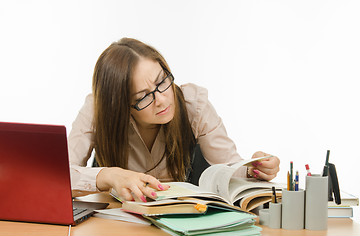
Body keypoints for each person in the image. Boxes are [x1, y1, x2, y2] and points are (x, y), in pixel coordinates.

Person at [68, 37, 280, 202]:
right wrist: (110, 175)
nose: (161, 100)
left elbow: (229, 168)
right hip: (117, 225)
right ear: (121, 106)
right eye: (142, 97)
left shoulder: (194, 104)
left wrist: (256, 168)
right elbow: (60, 176)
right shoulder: (98, 110)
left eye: (162, 82)